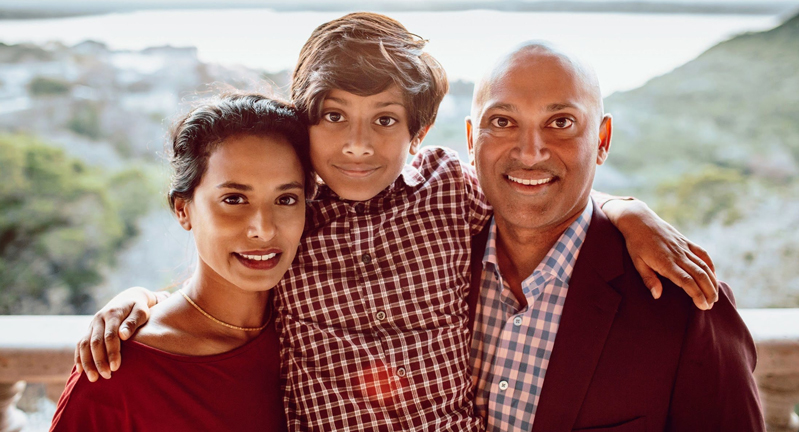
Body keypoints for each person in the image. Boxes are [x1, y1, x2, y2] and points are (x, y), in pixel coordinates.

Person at [74, 13, 720, 431]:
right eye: (333, 117)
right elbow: (230, 261)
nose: (357, 145)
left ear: (419, 133)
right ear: (305, 122)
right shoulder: (298, 208)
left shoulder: (448, 191)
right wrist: (140, 302)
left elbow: (532, 185)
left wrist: (625, 209)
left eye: (383, 120)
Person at [466, 42, 764, 432]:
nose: (530, 153)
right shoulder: (428, 254)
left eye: (560, 123)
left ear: (602, 140)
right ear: (471, 140)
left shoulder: (683, 305)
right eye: (504, 121)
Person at [50, 93, 313, 432]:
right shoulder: (117, 372)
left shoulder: (318, 334)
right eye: (234, 199)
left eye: (286, 199)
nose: (263, 229)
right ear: (183, 209)